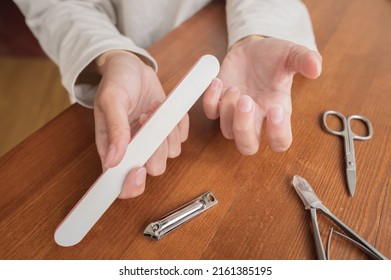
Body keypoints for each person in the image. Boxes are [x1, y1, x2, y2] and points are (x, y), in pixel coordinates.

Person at [14, 0, 322, 198]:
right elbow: (55, 5)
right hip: (109, 68)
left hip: (209, 32)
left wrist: (257, 34)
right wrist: (109, 54)